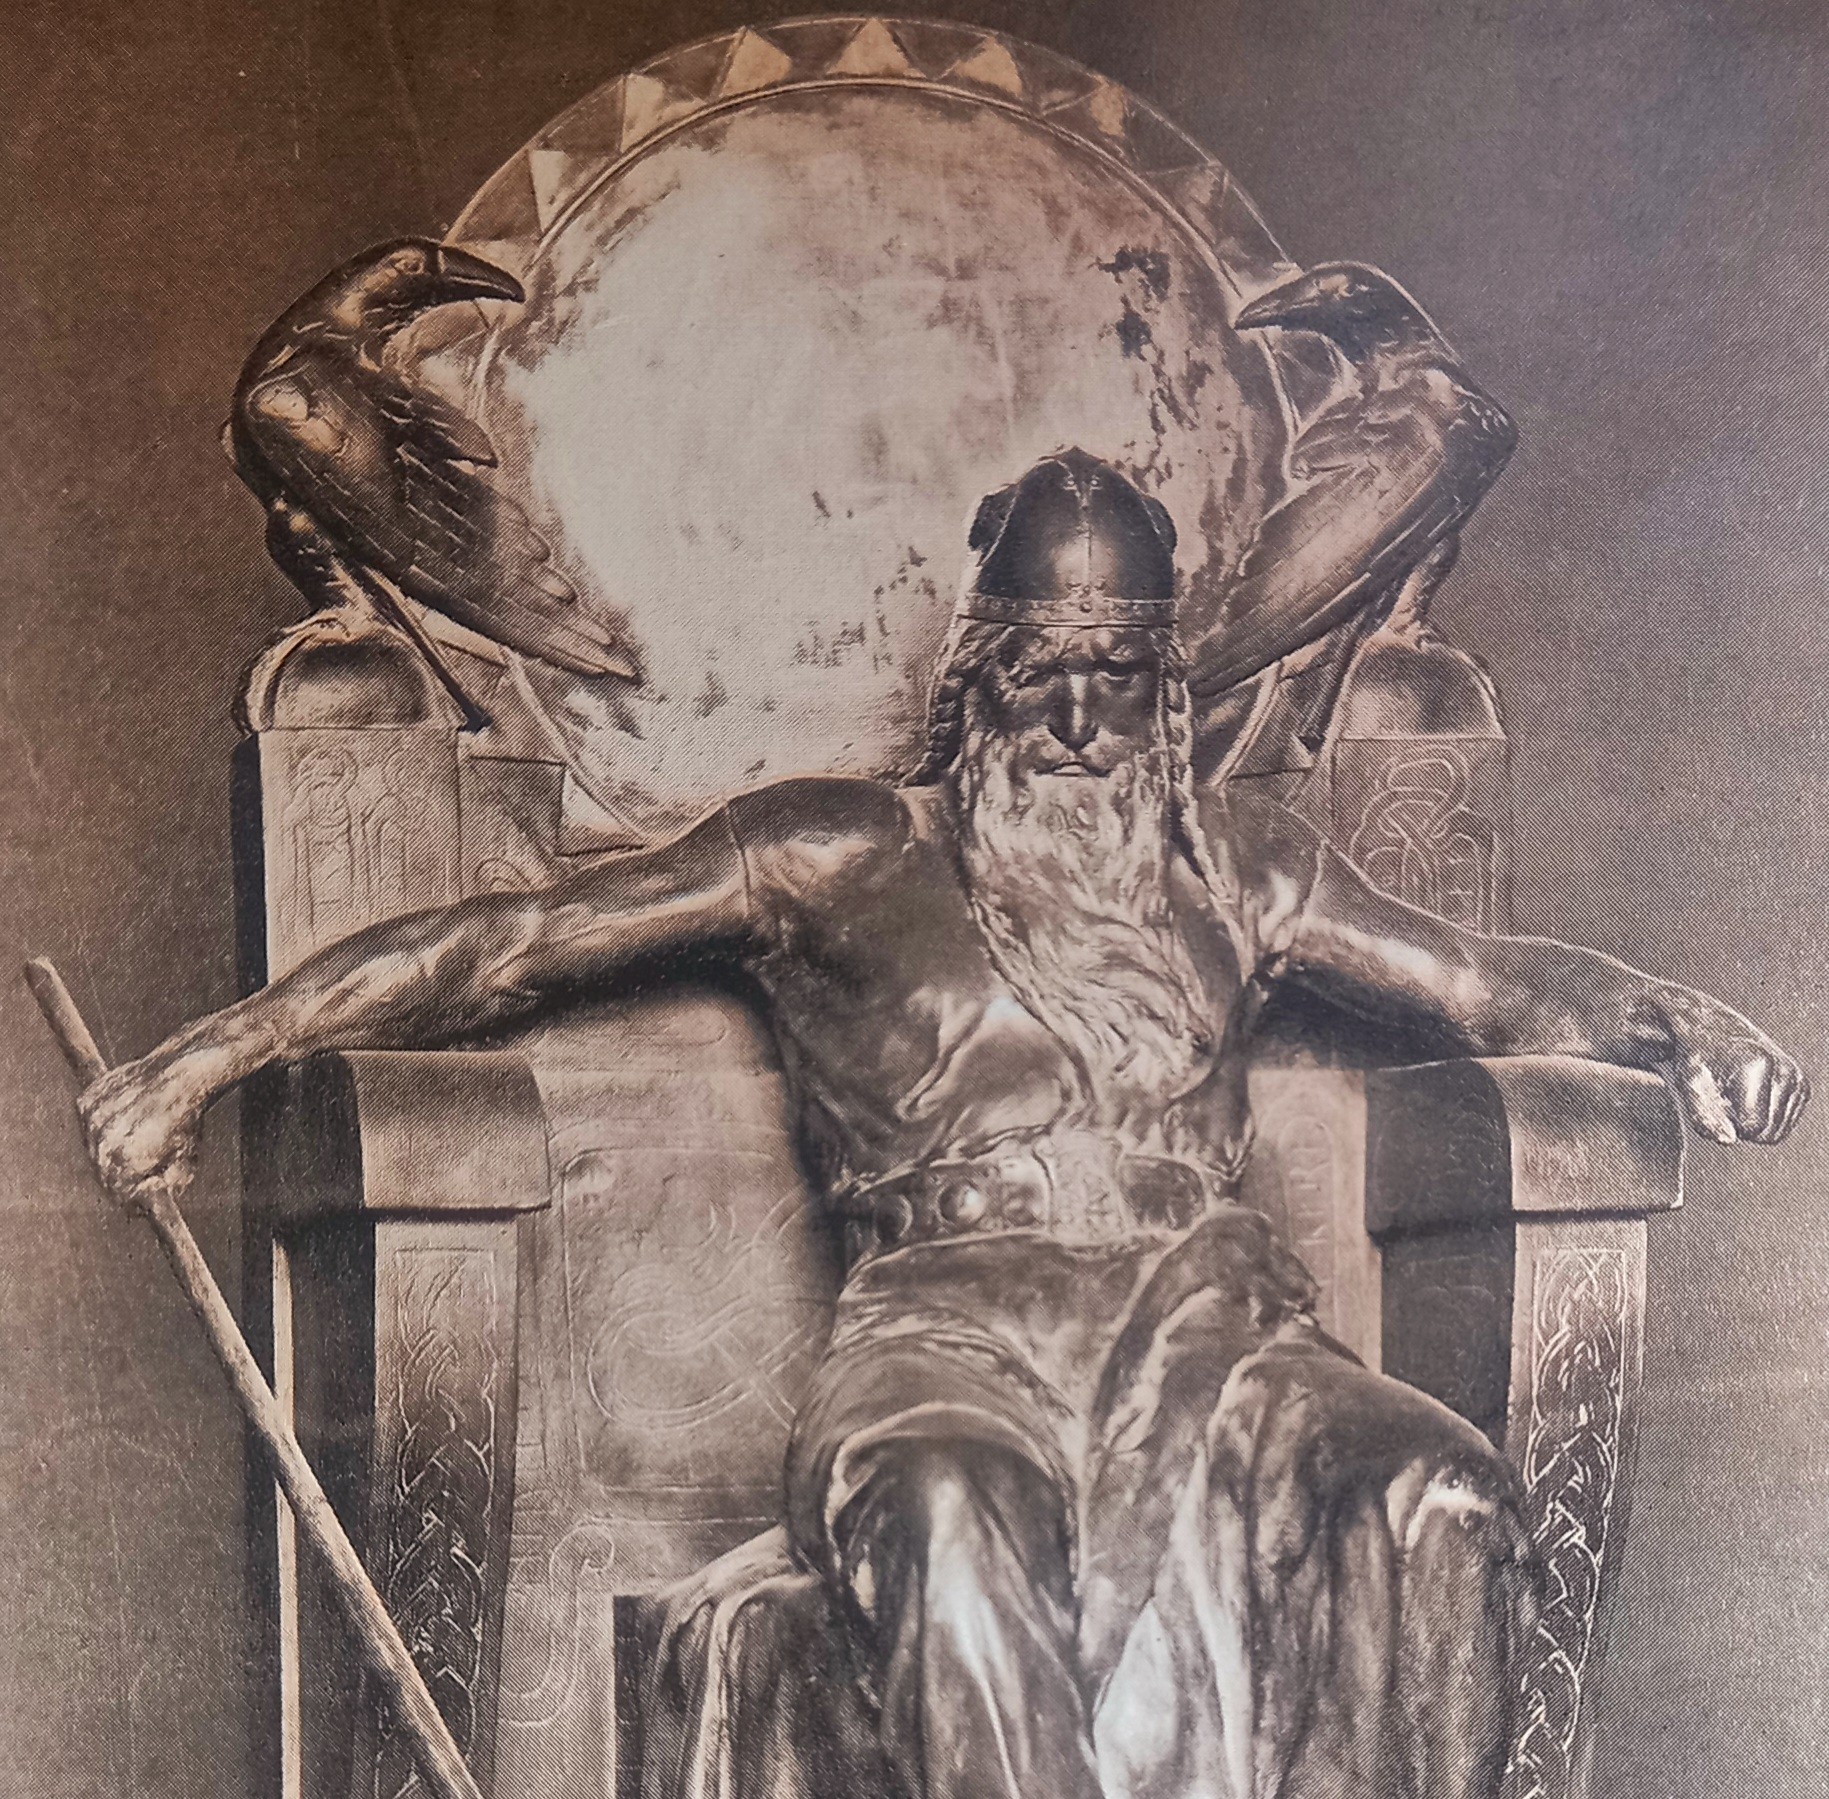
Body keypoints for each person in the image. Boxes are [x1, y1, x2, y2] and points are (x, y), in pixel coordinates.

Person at [84, 450, 1805, 1799]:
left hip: (1221, 1337)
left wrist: (1687, 1024)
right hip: (946, 1341)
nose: (1078, 723)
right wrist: (211, 1057)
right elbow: (512, 941)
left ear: (1166, 696)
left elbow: (1485, 985)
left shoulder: (1241, 864)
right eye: (1042, 676)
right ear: (978, 678)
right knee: (938, 1515)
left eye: (1117, 680)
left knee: (1443, 1503)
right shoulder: (832, 851)